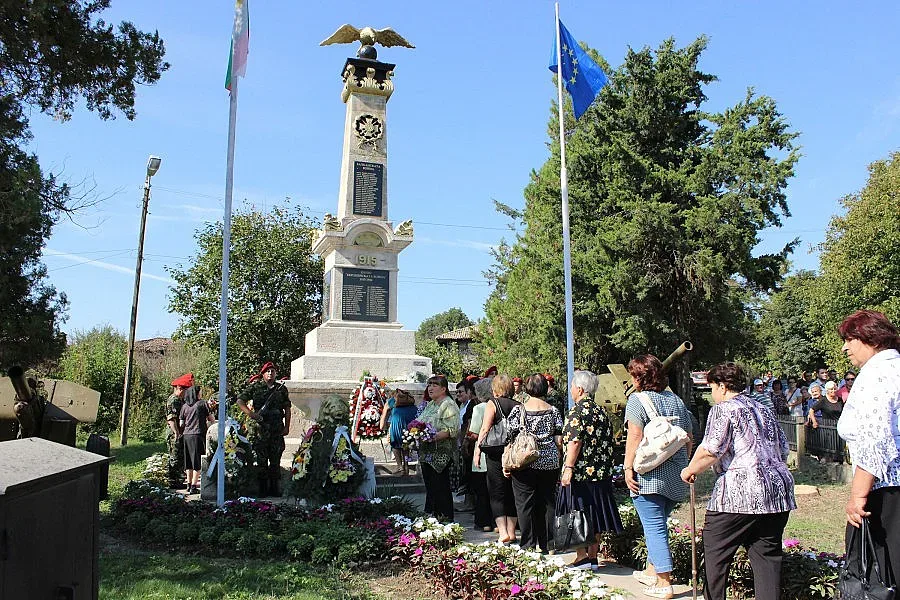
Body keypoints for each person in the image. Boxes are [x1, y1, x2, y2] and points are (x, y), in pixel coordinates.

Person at [681, 361, 796, 600]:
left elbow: (711, 449)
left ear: (722, 386)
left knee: (716, 554)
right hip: (776, 492)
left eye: (712, 388)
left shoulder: (724, 409)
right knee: (767, 559)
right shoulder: (763, 408)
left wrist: (690, 469)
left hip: (738, 494)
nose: (713, 394)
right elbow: (784, 449)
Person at [836, 310, 900, 586]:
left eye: (849, 339)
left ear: (871, 338)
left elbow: (875, 439)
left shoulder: (876, 373)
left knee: (878, 578)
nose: (845, 347)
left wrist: (858, 496)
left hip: (885, 492)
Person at [624, 355, 693, 599]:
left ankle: (664, 583)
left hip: (648, 476)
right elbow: (688, 436)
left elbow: (634, 435)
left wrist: (627, 468)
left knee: (654, 528)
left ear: (639, 378)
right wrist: (683, 463)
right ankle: (651, 572)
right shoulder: (676, 400)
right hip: (676, 475)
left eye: (633, 375)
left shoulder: (637, 400)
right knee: (658, 524)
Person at [559, 370, 623, 569]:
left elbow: (575, 441)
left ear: (579, 389)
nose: (571, 390)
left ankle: (581, 557)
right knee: (595, 514)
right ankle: (593, 557)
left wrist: (568, 467)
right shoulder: (601, 412)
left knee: (577, 512)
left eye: (572, 386)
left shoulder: (576, 412)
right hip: (601, 473)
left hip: (581, 473)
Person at [506, 374, 563, 553]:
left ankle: (528, 544)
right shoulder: (554, 411)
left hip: (525, 462)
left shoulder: (518, 410)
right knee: (547, 502)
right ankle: (548, 543)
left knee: (524, 503)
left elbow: (510, 437)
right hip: (549, 462)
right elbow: (559, 439)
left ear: (527, 388)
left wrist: (506, 463)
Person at [473, 374, 520, 543]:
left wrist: (478, 450)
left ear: (495, 389)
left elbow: (485, 428)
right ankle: (512, 531)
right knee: (512, 491)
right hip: (513, 453)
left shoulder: (492, 403)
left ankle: (503, 532)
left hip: (495, 452)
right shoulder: (519, 405)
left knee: (496, 492)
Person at [237, 362, 291, 497]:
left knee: (275, 459)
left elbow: (287, 408)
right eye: (268, 371)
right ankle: (262, 489)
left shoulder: (281, 389)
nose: (270, 373)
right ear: (263, 374)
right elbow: (240, 401)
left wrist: (287, 426)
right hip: (260, 429)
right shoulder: (256, 387)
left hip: (276, 429)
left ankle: (274, 488)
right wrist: (251, 414)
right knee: (261, 460)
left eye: (273, 371)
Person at [416, 375, 460, 521]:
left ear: (443, 389)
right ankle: (434, 518)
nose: (430, 388)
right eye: (429, 385)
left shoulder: (448, 405)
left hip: (441, 454)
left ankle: (445, 519)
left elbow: (451, 430)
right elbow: (419, 423)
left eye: (434, 385)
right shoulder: (431, 404)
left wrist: (431, 437)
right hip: (427, 453)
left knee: (441, 488)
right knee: (431, 488)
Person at [469, 377, 495, 532]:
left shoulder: (479, 408)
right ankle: (496, 521)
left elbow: (474, 432)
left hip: (482, 452)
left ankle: (483, 522)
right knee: (496, 491)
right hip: (497, 452)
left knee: (481, 491)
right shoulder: (498, 405)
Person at [179, 385, 212, 494]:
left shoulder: (184, 406)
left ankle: (188, 485)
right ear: (196, 394)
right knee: (197, 461)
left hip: (186, 435)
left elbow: (181, 423)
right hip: (198, 435)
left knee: (188, 461)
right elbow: (211, 419)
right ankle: (194, 486)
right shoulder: (202, 404)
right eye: (200, 392)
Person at [379, 388, 417, 476]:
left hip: (397, 422)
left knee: (395, 444)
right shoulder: (409, 400)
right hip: (410, 423)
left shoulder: (392, 400)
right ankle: (406, 466)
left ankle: (400, 468)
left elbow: (385, 413)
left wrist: (382, 426)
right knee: (406, 443)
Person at [166, 373, 192, 488]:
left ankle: (178, 479)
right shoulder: (174, 400)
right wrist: (176, 433)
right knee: (175, 457)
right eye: (186, 390)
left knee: (180, 456)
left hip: (180, 432)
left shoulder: (180, 400)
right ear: (180, 389)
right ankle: (174, 482)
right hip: (174, 433)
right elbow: (171, 418)